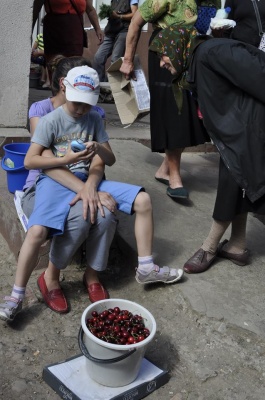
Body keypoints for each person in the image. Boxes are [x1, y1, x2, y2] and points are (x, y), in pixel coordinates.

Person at [0, 64, 183, 322]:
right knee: (38, 230)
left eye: (87, 104)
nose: (82, 109)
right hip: (53, 182)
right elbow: (31, 161)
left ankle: (145, 267)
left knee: (143, 199)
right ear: (65, 88)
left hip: (89, 180)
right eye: (77, 103)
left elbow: (109, 160)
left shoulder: (94, 119)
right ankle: (16, 295)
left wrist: (98, 149)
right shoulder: (50, 120)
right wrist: (68, 159)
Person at [148, 4, 265, 274]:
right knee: (240, 180)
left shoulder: (213, 51)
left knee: (233, 180)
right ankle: (236, 245)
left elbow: (259, 73)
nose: (163, 63)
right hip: (239, 131)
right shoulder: (196, 62)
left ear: (178, 47)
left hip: (250, 128)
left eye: (163, 56)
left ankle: (209, 247)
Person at [119, 0, 213, 200]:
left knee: (185, 113)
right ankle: (175, 177)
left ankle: (164, 169)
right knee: (173, 112)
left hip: (184, 53)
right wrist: (127, 60)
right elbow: (136, 22)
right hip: (165, 54)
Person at [33, 0, 104, 81]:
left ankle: (71, 91)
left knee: (74, 66)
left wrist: (98, 29)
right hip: (54, 31)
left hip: (75, 32)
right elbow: (35, 10)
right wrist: (28, 32)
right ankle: (57, 91)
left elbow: (90, 10)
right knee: (55, 66)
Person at [93, 0, 138, 83]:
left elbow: (135, 14)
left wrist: (119, 16)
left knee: (115, 60)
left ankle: (113, 87)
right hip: (111, 31)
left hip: (123, 30)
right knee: (98, 58)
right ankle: (102, 85)